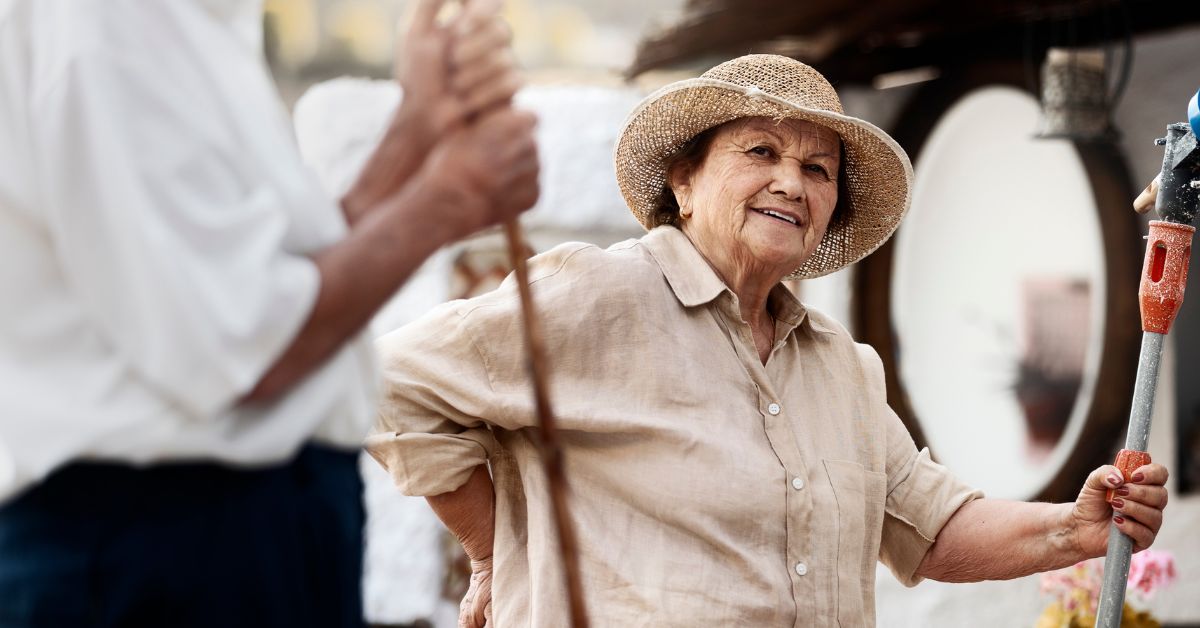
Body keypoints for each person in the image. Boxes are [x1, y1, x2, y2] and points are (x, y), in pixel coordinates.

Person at [366, 54, 1169, 627]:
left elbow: (930, 528)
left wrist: (1074, 528)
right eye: (761, 151)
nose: (794, 181)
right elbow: (387, 388)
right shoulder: (599, 296)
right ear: (683, 182)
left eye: (820, 170)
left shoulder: (843, 369)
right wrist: (490, 552)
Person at [0, 0, 536, 626]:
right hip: (162, 546)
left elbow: (268, 280)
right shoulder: (112, 21)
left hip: (206, 536)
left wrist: (419, 127)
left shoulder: (183, 23)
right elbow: (245, 345)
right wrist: (448, 199)